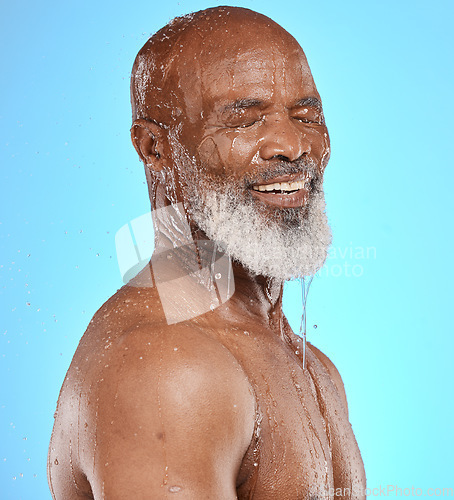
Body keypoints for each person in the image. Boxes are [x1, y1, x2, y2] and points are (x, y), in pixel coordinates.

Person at [48, 6, 366, 499]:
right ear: (155, 147)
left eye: (306, 116)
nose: (290, 144)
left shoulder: (312, 366)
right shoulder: (165, 369)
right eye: (245, 121)